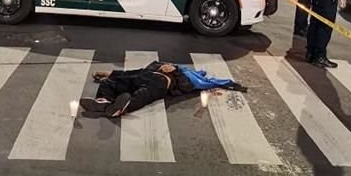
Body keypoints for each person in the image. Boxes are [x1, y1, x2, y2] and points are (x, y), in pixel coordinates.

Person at [80, 62, 246, 118]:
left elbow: (194, 85)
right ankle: (103, 101)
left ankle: (122, 107)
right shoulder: (155, 65)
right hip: (143, 76)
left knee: (143, 95)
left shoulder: (184, 75)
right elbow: (134, 72)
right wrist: (110, 73)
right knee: (110, 83)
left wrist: (174, 70)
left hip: (160, 84)